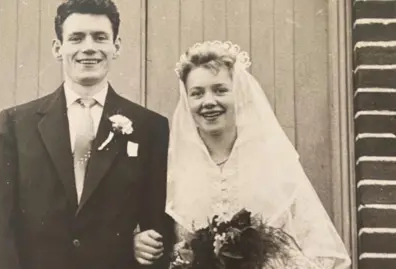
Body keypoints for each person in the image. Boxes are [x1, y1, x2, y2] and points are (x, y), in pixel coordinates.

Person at [0, 1, 169, 269]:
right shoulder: (16, 124)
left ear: (116, 46)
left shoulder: (150, 127)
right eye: (76, 38)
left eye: (100, 37)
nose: (88, 47)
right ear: (59, 48)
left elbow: (156, 230)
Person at [134, 41, 351, 268]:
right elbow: (152, 235)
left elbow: (321, 248)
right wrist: (138, 241)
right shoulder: (172, 167)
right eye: (197, 93)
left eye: (220, 90)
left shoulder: (274, 163)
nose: (208, 102)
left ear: (239, 93)